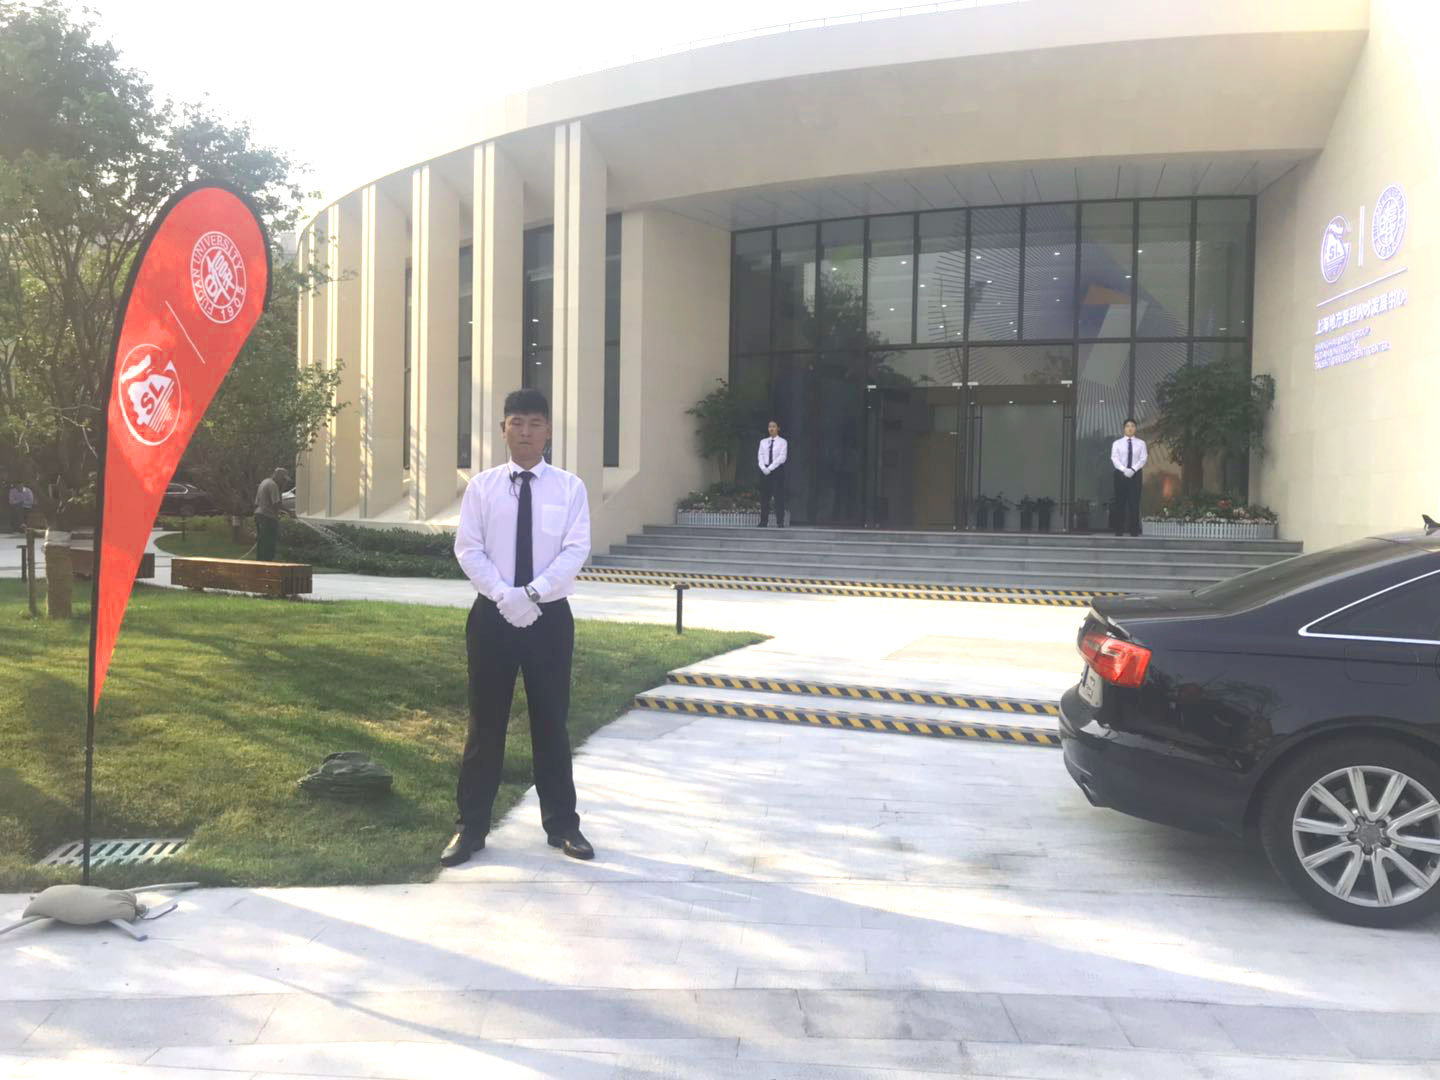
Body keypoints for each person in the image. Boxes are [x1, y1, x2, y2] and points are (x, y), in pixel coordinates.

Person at [443, 388, 593, 867]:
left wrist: (532, 593)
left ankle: (562, 825)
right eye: (517, 422)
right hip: (493, 617)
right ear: (503, 429)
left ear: (548, 431)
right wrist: (504, 595)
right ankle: (470, 827)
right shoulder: (482, 487)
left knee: (551, 721)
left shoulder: (569, 488)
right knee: (485, 723)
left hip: (549, 617)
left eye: (535, 423)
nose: (525, 432)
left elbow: (575, 550)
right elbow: (468, 548)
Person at [1110, 419, 1147, 537]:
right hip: (1120, 474)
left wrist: (1133, 469)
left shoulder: (1141, 443)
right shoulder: (1117, 443)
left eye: (1132, 426)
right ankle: (1119, 530)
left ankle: (1134, 530)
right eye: (1127, 426)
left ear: (1135, 428)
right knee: (1120, 502)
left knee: (1134, 502)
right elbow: (1114, 458)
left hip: (1135, 475)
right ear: (1124, 428)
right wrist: (1124, 469)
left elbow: (1143, 458)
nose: (1130, 428)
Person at [757, 419, 789, 528]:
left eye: (774, 426)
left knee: (778, 497)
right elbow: (760, 456)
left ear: (778, 428)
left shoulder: (783, 442)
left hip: (777, 471)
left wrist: (770, 468)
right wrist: (763, 468)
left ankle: (780, 521)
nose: (771, 428)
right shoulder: (763, 442)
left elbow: (782, 457)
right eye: (769, 426)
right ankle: (763, 521)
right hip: (764, 471)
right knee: (764, 497)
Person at [253, 467, 289, 561]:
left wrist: (282, 488)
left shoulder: (265, 482)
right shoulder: (273, 485)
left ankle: (260, 563)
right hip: (267, 517)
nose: (284, 482)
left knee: (262, 542)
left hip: (259, 515)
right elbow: (276, 503)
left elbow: (257, 502)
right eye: (283, 479)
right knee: (269, 543)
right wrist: (289, 511)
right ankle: (267, 563)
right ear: (278, 476)